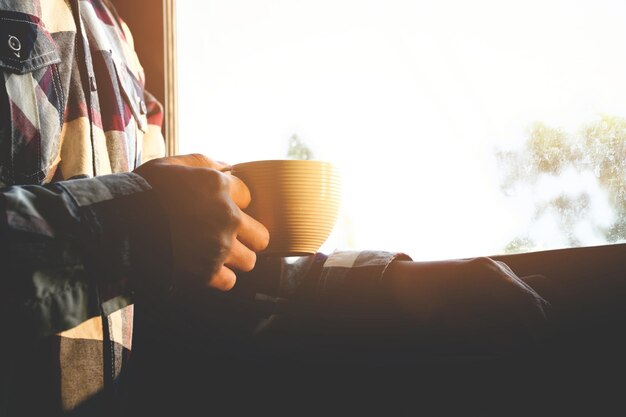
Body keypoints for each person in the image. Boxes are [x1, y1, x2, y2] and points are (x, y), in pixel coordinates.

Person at [0, 0, 552, 415]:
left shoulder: (118, 43)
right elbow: (139, 232)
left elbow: (169, 290)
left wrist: (386, 286)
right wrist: (138, 226)